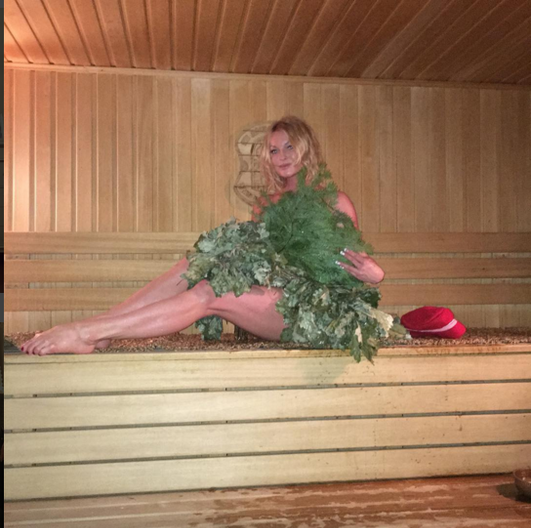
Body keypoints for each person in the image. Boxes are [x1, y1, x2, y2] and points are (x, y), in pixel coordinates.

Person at [21, 116, 385, 356]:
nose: (282, 156)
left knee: (213, 292)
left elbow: (354, 263)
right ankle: (97, 332)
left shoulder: (334, 201)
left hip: (314, 312)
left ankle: (86, 333)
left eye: (289, 146)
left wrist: (376, 274)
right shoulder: (267, 205)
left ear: (307, 147)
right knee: (195, 264)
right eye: (274, 150)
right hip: (272, 300)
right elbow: (262, 263)